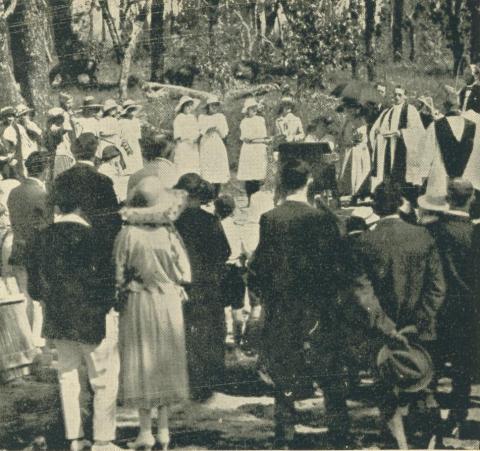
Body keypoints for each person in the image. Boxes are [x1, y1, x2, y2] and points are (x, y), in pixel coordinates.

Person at [248, 159, 350, 448]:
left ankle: (285, 433)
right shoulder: (322, 219)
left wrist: (263, 298)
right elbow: (337, 265)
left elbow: (261, 267)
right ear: (308, 183)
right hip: (319, 305)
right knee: (330, 371)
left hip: (283, 306)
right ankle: (339, 430)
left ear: (282, 183)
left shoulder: (270, 218)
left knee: (285, 371)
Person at [26, 172, 121, 451]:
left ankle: (75, 439)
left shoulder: (42, 238)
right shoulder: (95, 238)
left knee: (67, 377)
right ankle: (103, 440)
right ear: (82, 206)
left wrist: (49, 302)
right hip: (92, 318)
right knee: (103, 378)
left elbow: (35, 287)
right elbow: (107, 283)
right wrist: (104, 307)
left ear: (57, 206)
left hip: (58, 319)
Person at [356, 182, 446, 448]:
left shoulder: (365, 241)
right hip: (421, 333)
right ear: (400, 205)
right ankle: (427, 441)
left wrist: (388, 328)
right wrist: (418, 323)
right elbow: (437, 287)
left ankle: (398, 445)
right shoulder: (423, 237)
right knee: (422, 385)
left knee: (387, 391)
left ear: (374, 206)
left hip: (383, 334)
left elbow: (363, 294)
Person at [114, 178, 191, 451]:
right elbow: (185, 273)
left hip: (138, 301)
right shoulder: (169, 234)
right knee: (164, 361)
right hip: (167, 301)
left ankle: (145, 430)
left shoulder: (127, 235)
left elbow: (118, 274)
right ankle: (164, 429)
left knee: (142, 361)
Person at [423, 179, 478, 439]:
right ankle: (458, 417)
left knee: (432, 364)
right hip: (468, 310)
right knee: (462, 368)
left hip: (437, 308)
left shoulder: (433, 230)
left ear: (448, 198)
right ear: (472, 199)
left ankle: (430, 419)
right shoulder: (474, 233)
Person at [174, 173, 230, 401]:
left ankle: (190, 376)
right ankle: (213, 377)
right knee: (212, 329)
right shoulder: (210, 221)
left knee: (186, 330)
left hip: (183, 284)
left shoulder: (174, 223)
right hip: (208, 283)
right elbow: (225, 251)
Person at [55, 132, 121, 263]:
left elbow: (56, 212)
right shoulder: (103, 180)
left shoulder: (61, 179)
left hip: (67, 245)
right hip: (95, 248)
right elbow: (113, 220)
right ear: (95, 153)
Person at [7, 151, 50, 347]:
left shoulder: (15, 192)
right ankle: (37, 341)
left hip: (17, 247)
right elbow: (47, 226)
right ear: (45, 170)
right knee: (41, 298)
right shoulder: (42, 194)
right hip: (37, 251)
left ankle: (25, 341)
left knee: (24, 296)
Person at [370, 85, 424, 191]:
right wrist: (379, 131)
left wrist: (401, 132)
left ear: (405, 97)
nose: (397, 97)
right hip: (389, 146)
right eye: (395, 94)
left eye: (400, 95)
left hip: (403, 145)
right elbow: (378, 127)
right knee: (389, 172)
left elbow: (418, 131)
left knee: (402, 173)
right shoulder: (388, 111)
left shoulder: (411, 110)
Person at [214, 195, 246, 356]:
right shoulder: (237, 227)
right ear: (233, 209)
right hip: (235, 269)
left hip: (221, 269)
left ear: (216, 209)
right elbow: (244, 250)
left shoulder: (215, 227)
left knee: (221, 308)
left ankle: (223, 340)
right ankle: (237, 341)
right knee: (237, 308)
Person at [237, 98, 271, 206]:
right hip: (249, 149)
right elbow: (246, 137)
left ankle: (256, 200)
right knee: (249, 176)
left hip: (258, 148)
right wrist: (255, 139)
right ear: (247, 110)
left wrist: (262, 141)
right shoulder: (244, 122)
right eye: (251, 108)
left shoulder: (261, 119)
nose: (254, 110)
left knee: (257, 175)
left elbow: (263, 135)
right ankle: (249, 199)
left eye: (255, 108)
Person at [198, 95, 230, 197]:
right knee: (207, 169)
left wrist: (217, 128)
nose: (214, 107)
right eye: (212, 105)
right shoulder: (202, 117)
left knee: (217, 169)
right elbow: (199, 131)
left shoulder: (221, 117)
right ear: (208, 106)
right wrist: (206, 130)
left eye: (216, 105)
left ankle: (216, 195)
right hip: (206, 145)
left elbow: (225, 133)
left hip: (217, 144)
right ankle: (207, 196)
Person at [3, 104, 42, 177]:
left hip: (34, 158)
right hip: (22, 159)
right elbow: (10, 146)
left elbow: (40, 135)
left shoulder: (31, 125)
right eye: (23, 115)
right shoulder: (13, 128)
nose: (26, 117)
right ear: (18, 117)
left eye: (26, 114)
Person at [43, 107, 76, 180]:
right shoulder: (53, 127)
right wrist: (66, 116)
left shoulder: (62, 126)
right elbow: (64, 129)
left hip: (66, 155)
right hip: (61, 155)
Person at [172, 96, 200, 177]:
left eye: (190, 105)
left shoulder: (193, 118)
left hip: (193, 146)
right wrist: (178, 147)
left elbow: (197, 130)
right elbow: (177, 135)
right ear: (183, 107)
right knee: (182, 166)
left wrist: (196, 138)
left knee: (193, 165)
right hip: (183, 145)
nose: (189, 107)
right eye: (187, 105)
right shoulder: (179, 118)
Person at [119, 99, 144, 174]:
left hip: (134, 142)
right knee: (128, 156)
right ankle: (129, 170)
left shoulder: (136, 121)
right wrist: (125, 144)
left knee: (136, 156)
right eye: (130, 110)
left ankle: (137, 170)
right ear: (126, 111)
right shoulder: (122, 122)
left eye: (133, 110)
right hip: (126, 142)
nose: (132, 113)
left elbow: (137, 134)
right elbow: (121, 135)